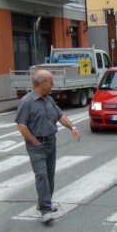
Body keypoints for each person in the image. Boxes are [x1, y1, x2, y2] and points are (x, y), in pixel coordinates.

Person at [15, 69, 81, 223]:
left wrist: (73, 128)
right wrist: (34, 141)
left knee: (49, 175)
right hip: (37, 145)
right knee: (41, 176)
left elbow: (60, 116)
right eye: (51, 81)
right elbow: (21, 126)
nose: (53, 84)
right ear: (41, 83)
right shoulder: (26, 102)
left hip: (51, 142)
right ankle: (45, 210)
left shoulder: (48, 99)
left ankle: (44, 202)